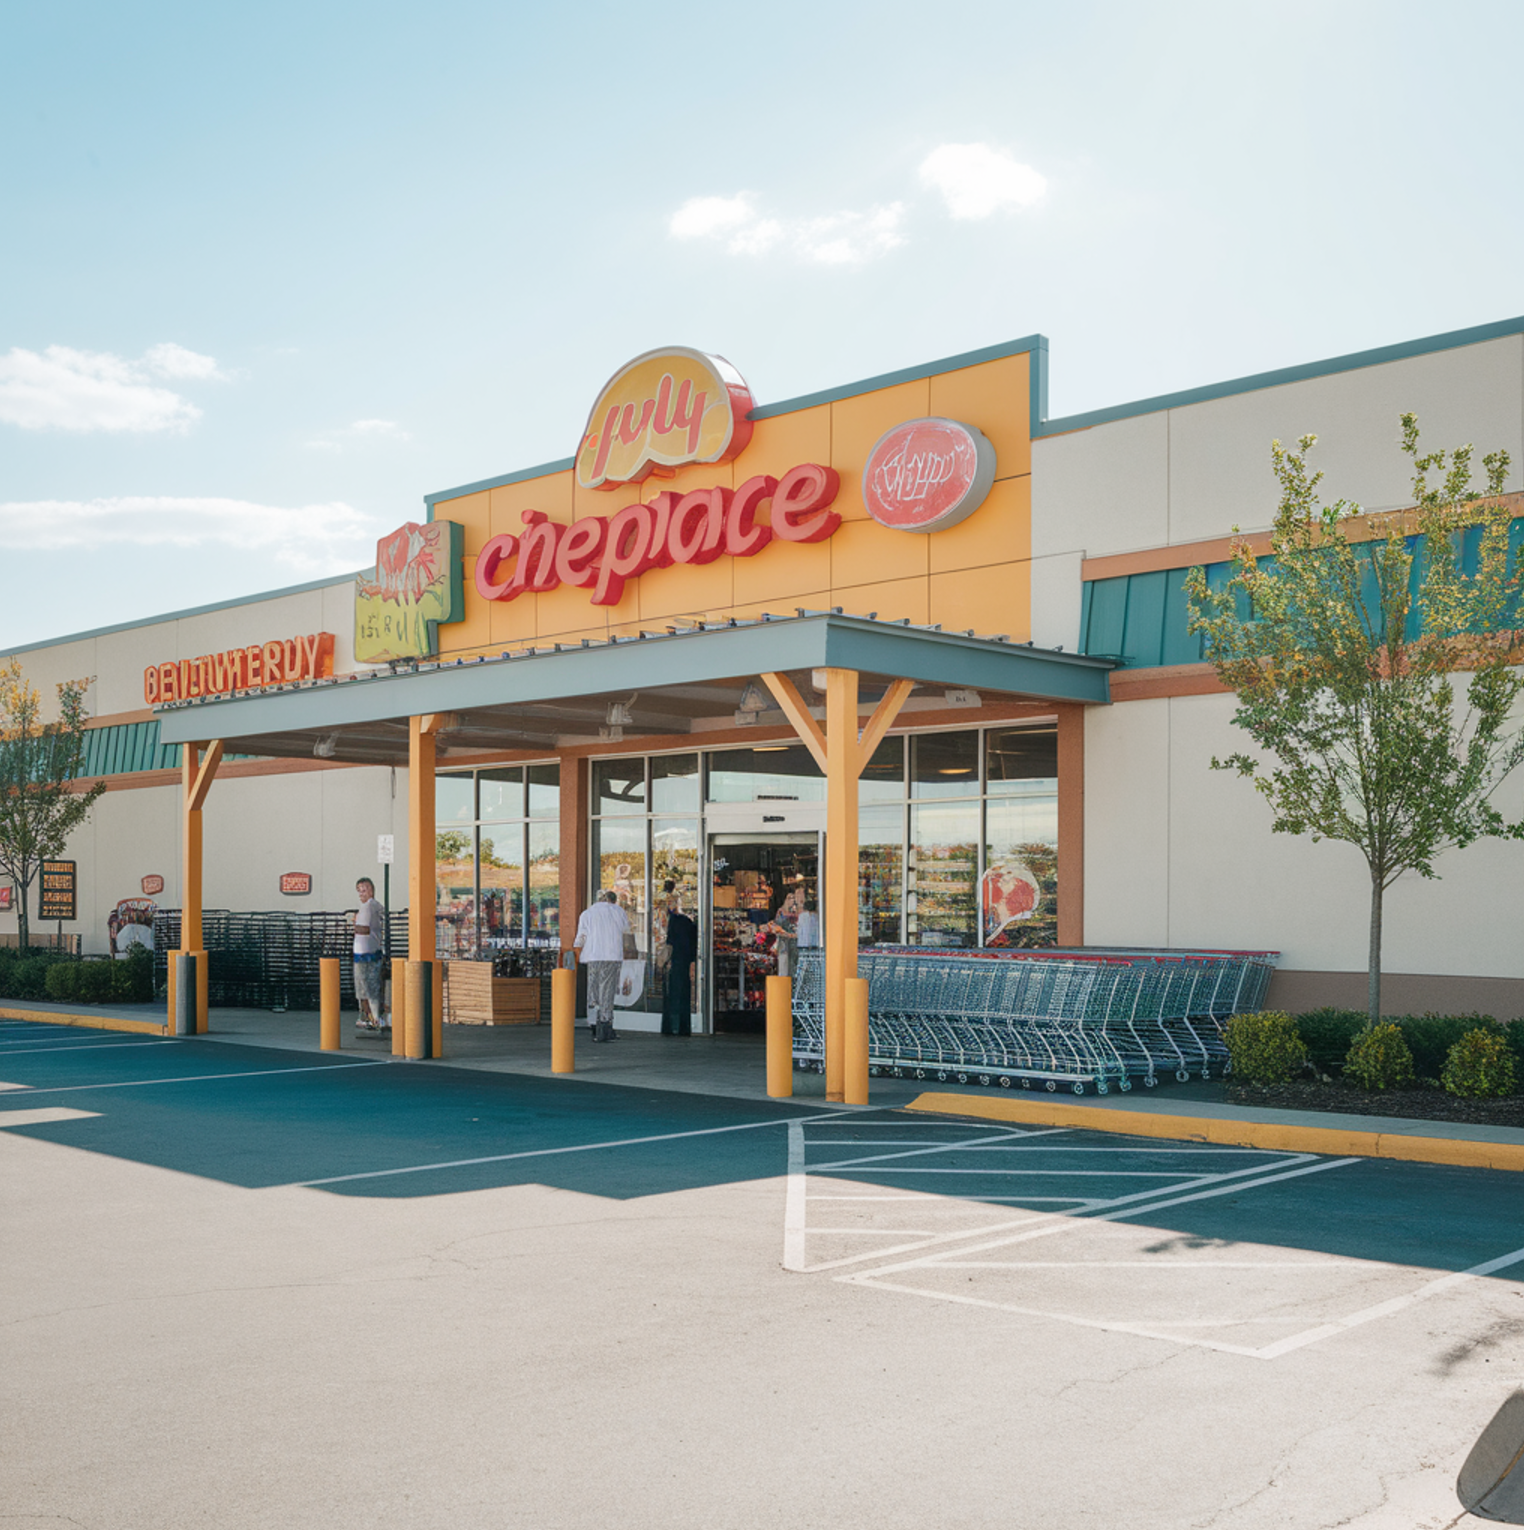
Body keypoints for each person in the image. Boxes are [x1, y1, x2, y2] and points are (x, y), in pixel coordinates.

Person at [573, 888, 629, 1043]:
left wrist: (576, 955)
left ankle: (593, 1024)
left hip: (592, 956)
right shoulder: (618, 911)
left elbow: (580, 937)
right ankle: (605, 1025)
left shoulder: (587, 913)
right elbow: (626, 932)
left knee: (593, 991)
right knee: (607, 991)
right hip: (612, 956)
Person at [352, 877, 389, 1034]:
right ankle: (370, 1017)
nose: (361, 893)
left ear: (371, 890)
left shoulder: (368, 907)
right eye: (359, 890)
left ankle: (373, 1018)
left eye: (364, 889)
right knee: (368, 987)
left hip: (365, 953)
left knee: (367, 987)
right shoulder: (374, 907)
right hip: (368, 952)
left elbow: (364, 929)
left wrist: (352, 923)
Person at [661, 894, 698, 1036]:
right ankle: (683, 1026)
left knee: (673, 994)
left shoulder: (675, 922)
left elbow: (670, 943)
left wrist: (665, 960)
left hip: (676, 962)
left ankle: (672, 1025)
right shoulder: (687, 923)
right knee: (684, 993)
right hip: (685, 961)